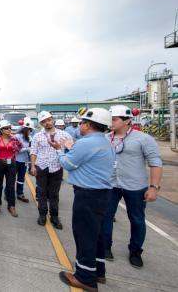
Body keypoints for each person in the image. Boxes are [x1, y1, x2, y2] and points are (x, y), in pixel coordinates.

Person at [54, 107, 115, 292]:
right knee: (95, 234)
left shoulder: (86, 143)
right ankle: (97, 271)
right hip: (101, 193)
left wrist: (61, 150)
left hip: (87, 194)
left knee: (84, 235)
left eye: (81, 122)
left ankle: (85, 278)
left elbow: (67, 164)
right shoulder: (105, 142)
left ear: (88, 125)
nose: (79, 125)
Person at [102, 105, 163, 268]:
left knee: (137, 219)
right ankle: (105, 246)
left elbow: (155, 163)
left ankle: (135, 251)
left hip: (135, 187)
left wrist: (153, 187)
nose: (111, 123)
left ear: (127, 120)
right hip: (111, 185)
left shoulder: (143, 139)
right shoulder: (106, 138)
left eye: (114, 119)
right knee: (106, 216)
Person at [30, 111, 72, 229]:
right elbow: (33, 152)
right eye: (43, 121)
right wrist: (33, 166)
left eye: (48, 120)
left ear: (52, 119)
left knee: (54, 194)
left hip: (57, 167)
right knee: (42, 193)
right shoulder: (37, 136)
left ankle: (54, 217)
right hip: (41, 167)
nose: (47, 123)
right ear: (41, 123)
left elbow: (72, 149)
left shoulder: (64, 135)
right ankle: (42, 215)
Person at [0, 120, 22, 217]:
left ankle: (11, 206)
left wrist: (13, 154)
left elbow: (20, 147)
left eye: (10, 127)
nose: (9, 129)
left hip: (11, 164)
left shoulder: (14, 139)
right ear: (1, 130)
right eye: (6, 128)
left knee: (10, 186)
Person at [15, 120, 34, 203]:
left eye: (31, 130)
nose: (30, 132)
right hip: (15, 160)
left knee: (21, 179)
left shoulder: (30, 138)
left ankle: (20, 193)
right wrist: (27, 149)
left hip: (24, 161)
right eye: (30, 130)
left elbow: (32, 149)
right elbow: (16, 149)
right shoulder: (17, 137)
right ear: (25, 129)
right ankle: (8, 193)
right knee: (11, 178)